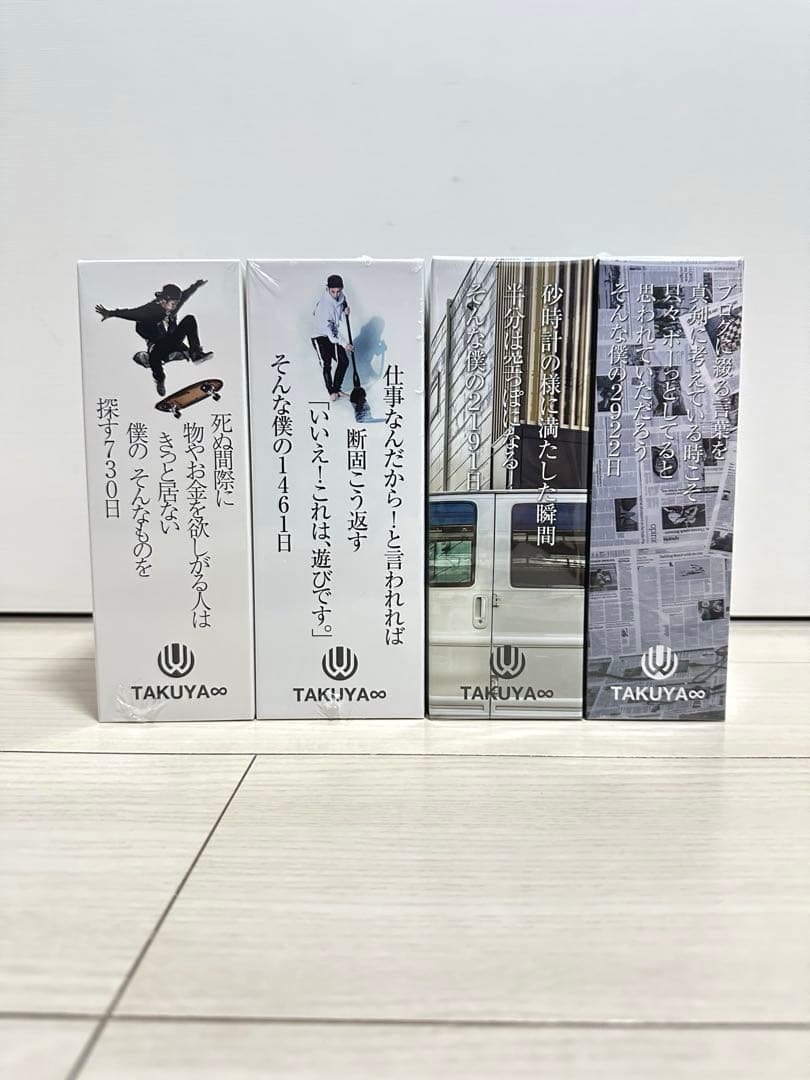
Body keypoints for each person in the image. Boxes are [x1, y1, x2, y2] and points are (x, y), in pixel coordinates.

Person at [95, 280, 212, 396]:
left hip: (173, 341)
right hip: (158, 346)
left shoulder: (172, 307)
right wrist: (111, 313)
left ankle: (196, 353)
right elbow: (132, 313)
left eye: (176, 304)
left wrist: (196, 285)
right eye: (173, 304)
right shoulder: (150, 310)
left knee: (189, 319)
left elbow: (185, 295)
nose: (174, 307)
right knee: (154, 359)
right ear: (163, 300)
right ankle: (160, 379)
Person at [311, 274, 353, 402]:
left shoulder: (341, 297)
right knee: (327, 364)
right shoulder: (325, 306)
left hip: (331, 334)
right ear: (327, 289)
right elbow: (331, 329)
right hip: (320, 336)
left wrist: (345, 309)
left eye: (338, 291)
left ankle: (337, 389)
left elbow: (342, 302)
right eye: (333, 291)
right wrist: (344, 344)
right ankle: (332, 392)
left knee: (344, 361)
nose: (335, 294)